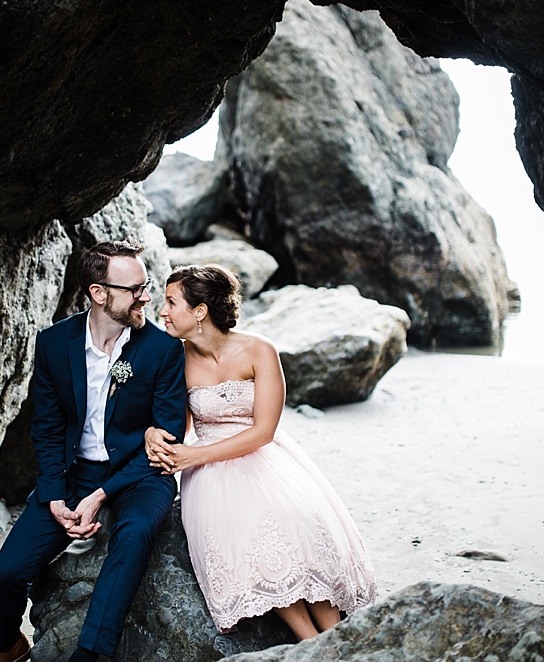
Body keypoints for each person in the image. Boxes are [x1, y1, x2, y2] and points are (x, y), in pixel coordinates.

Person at [0, 240, 187, 662]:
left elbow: (167, 435)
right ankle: (5, 644)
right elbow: (48, 427)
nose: (145, 296)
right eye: (135, 289)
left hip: (140, 472)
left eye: (146, 285)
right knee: (7, 571)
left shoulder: (163, 349)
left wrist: (100, 496)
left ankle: (92, 656)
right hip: (72, 476)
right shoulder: (54, 343)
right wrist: (55, 494)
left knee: (134, 534)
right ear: (98, 293)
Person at [145, 264, 377, 641]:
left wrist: (192, 456)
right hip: (210, 469)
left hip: (261, 453)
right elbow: (179, 424)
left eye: (171, 303)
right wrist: (152, 433)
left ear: (200, 311)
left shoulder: (259, 349)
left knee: (296, 522)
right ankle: (310, 640)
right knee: (252, 532)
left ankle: (336, 636)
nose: (163, 311)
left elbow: (264, 431)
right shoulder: (175, 358)